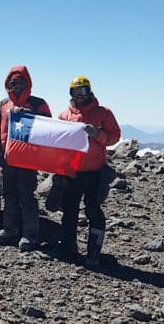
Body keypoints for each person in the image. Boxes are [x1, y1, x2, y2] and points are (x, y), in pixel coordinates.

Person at [0, 65, 51, 251]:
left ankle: (30, 235)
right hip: (7, 159)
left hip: (28, 160)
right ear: (8, 85)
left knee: (27, 196)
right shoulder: (4, 104)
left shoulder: (38, 104)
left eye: (21, 83)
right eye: (13, 83)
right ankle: (9, 230)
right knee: (10, 195)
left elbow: (48, 129)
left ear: (28, 83)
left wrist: (28, 116)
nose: (17, 86)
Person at [57, 75, 121, 266]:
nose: (80, 95)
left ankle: (94, 251)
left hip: (95, 172)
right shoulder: (64, 115)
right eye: (75, 91)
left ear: (90, 91)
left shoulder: (103, 113)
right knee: (69, 210)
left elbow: (115, 136)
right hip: (72, 172)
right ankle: (68, 247)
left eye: (83, 90)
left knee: (93, 210)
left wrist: (98, 134)